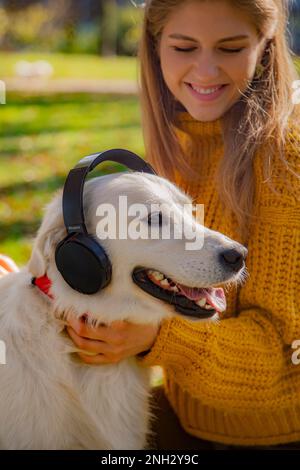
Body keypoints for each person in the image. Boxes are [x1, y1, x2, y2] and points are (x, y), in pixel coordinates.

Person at [1, 0, 300, 449]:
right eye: (184, 47)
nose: (205, 69)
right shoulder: (174, 147)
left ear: (266, 45)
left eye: (231, 47)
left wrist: (156, 337)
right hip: (186, 418)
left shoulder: (288, 167)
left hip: (267, 437)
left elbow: (287, 358)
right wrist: (28, 282)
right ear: (156, 48)